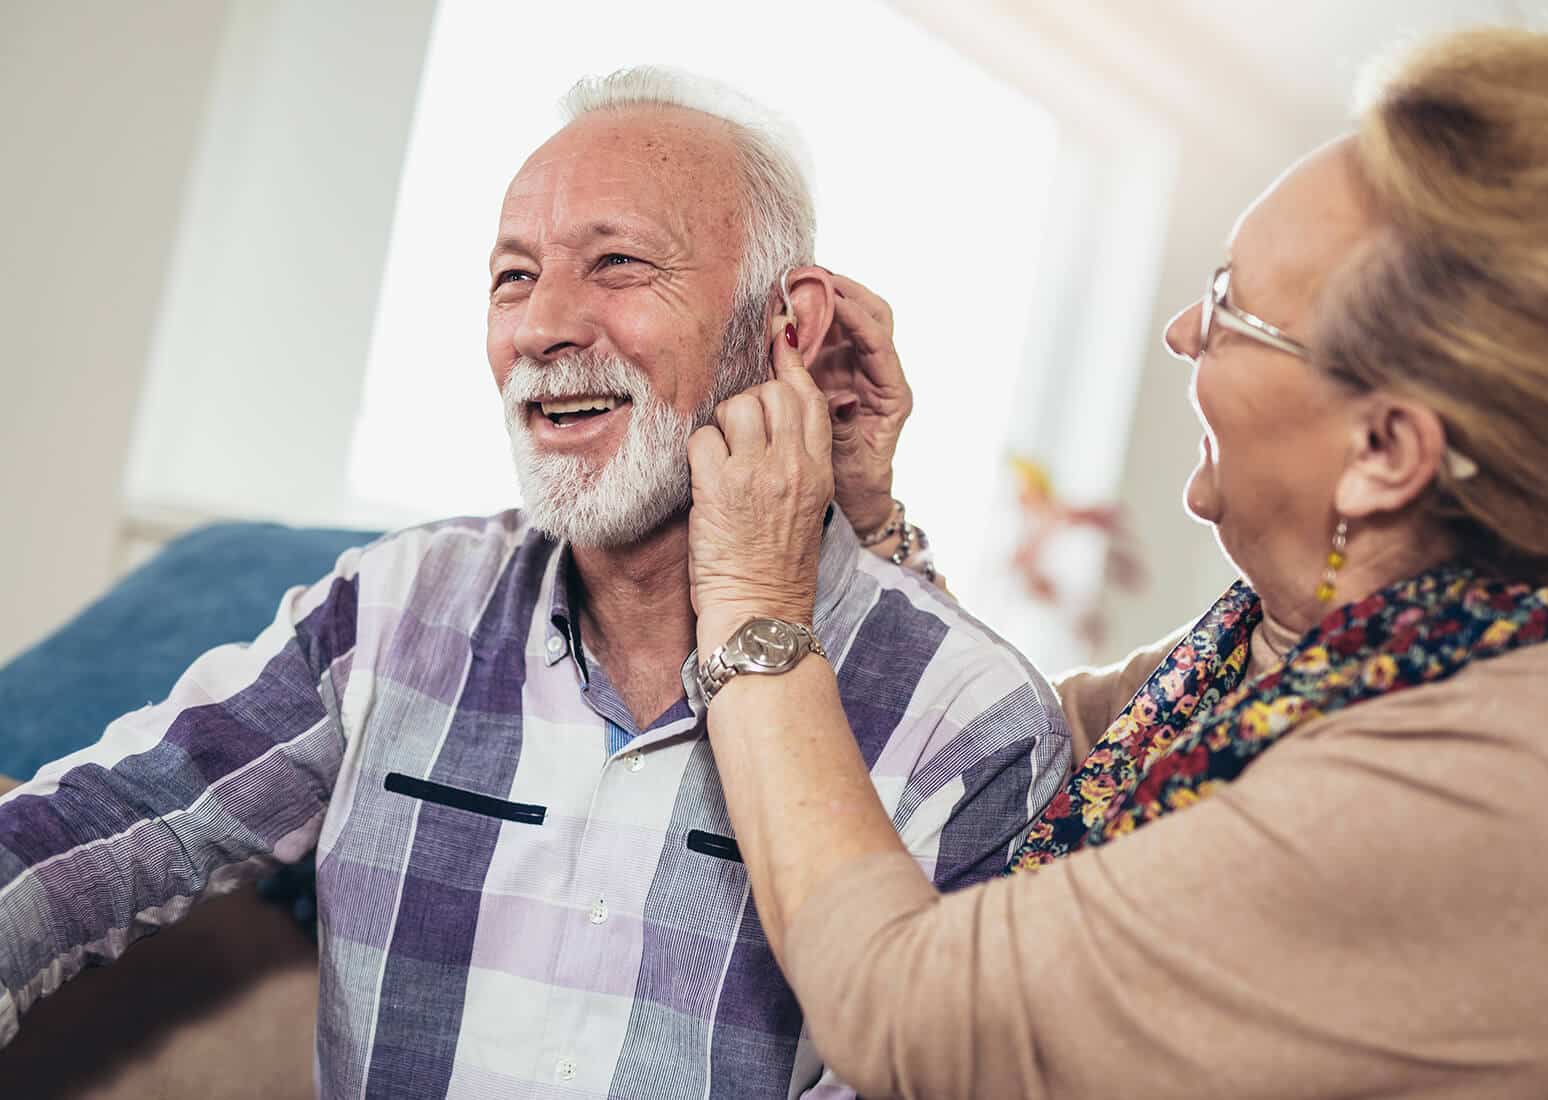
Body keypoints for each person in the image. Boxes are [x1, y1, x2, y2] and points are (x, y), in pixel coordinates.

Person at [0, 68, 1070, 1099]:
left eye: (618, 264)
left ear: (786, 328)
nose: (543, 327)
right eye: (513, 275)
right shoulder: (392, 607)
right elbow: (90, 828)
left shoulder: (973, 724)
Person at [683, 28, 1548, 1099]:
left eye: (1235, 309)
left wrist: (752, 606)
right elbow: (1014, 762)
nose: (1186, 330)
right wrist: (869, 528)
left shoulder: (1476, 797)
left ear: (1383, 453)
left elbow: (915, 1010)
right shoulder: (1303, 662)